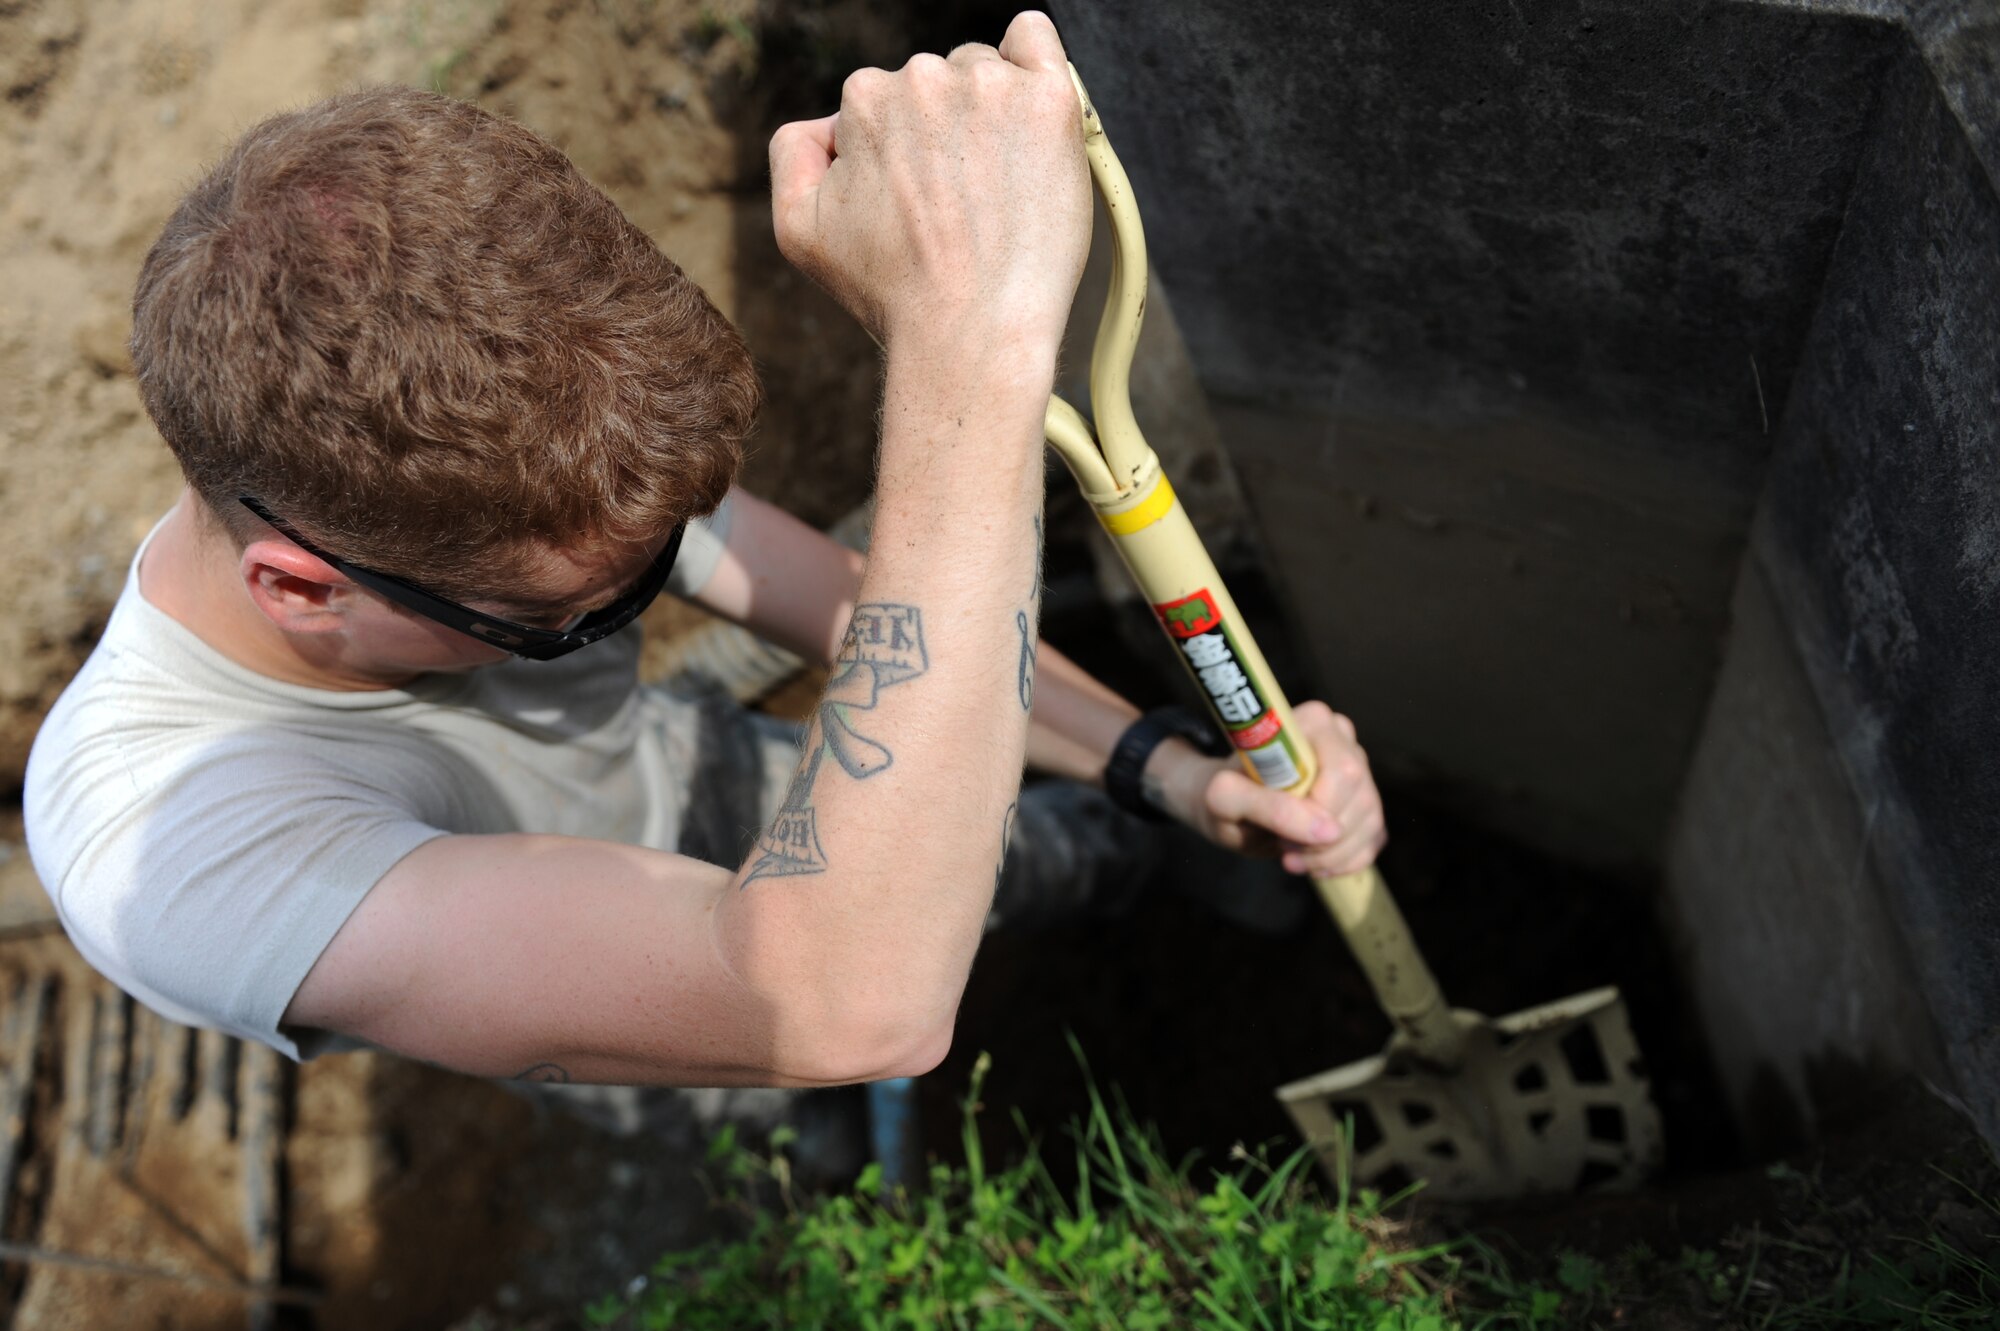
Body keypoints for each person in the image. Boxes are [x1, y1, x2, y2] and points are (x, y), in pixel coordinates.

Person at [24, 13, 1384, 1090]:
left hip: (688, 770)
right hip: (566, 969)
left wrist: (1171, 774)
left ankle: (1138, 861)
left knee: (1027, 862)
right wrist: (970, 354)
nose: (628, 607)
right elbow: (845, 1006)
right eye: (569, 620)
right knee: (766, 1072)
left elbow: (869, 622)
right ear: (304, 590)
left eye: (652, 565)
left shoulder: (488, 467)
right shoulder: (175, 854)